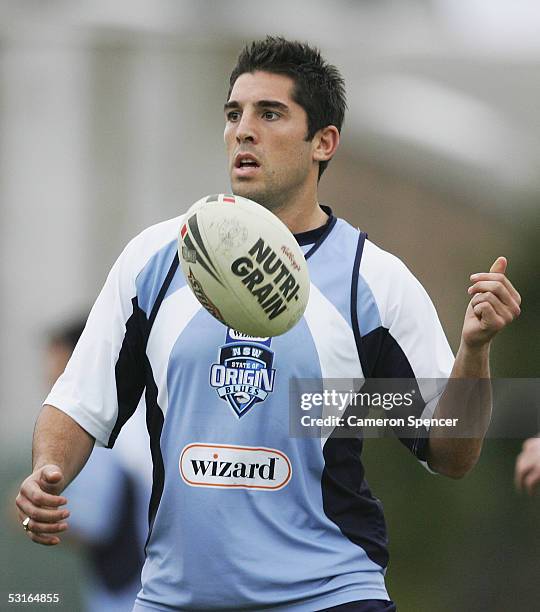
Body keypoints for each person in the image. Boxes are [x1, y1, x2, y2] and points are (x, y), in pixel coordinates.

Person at [16, 37, 521, 611]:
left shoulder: (372, 282)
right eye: (234, 114)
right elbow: (78, 402)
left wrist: (475, 350)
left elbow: (451, 453)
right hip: (175, 597)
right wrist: (48, 471)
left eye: (270, 113)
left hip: (329, 594)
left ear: (323, 143)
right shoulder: (153, 259)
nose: (243, 131)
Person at [45, 320, 152, 612]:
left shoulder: (97, 424)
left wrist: (32, 514)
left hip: (131, 595)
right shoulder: (145, 409)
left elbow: (94, 523)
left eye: (57, 362)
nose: (49, 374)